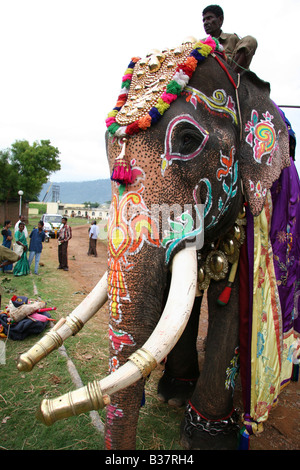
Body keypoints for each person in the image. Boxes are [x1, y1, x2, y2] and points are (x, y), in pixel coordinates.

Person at [202, 5, 257, 72]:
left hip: (228, 69)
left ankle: (232, 77)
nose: (205, 23)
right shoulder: (200, 43)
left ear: (220, 19)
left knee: (250, 40)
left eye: (209, 18)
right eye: (204, 20)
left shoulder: (232, 38)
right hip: (207, 72)